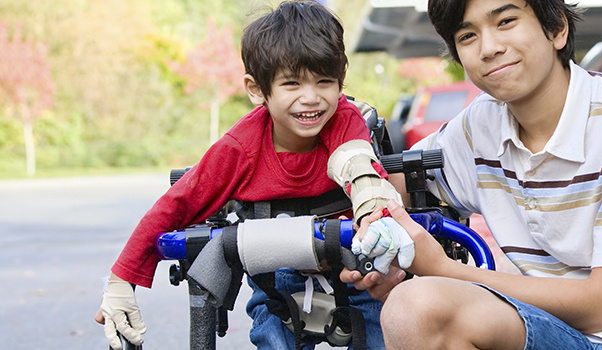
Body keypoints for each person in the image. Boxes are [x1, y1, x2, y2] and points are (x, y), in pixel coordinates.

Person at [343, 0, 602, 349]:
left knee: (421, 305)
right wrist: (376, 243)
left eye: (505, 21)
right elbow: (390, 187)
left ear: (556, 28)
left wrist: (445, 270)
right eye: (467, 36)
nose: (488, 48)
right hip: (564, 333)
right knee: (407, 304)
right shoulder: (478, 128)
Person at [94, 1, 407, 349]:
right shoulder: (240, 148)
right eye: (291, 83)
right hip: (277, 278)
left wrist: (374, 212)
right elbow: (177, 205)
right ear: (257, 89)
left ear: (340, 81)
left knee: (387, 329)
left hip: (355, 270)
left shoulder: (345, 120)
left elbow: (360, 167)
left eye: (324, 81)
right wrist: (122, 279)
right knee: (272, 331)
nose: (311, 98)